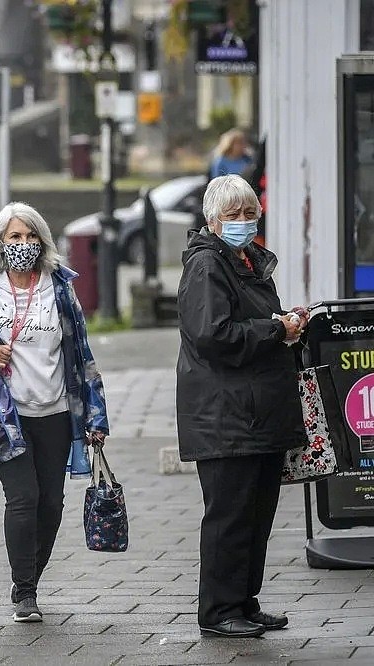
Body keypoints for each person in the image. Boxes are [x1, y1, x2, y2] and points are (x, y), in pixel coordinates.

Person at [0, 202, 110, 623]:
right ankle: (25, 591)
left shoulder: (60, 288)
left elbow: (83, 356)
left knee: (51, 503)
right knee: (24, 498)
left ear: (43, 242)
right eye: (15, 237)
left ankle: (29, 578)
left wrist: (95, 416)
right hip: (3, 415)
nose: (23, 245)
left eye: (31, 237)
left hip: (56, 411)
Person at [175, 174, 308, 638]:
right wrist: (276, 330)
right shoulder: (207, 266)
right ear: (212, 221)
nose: (242, 221)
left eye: (249, 213)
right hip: (224, 416)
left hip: (254, 413)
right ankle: (218, 612)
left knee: (256, 515)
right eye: (232, 215)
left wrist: (284, 321)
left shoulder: (248, 263)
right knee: (229, 518)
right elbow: (212, 335)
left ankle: (244, 602)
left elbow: (247, 320)